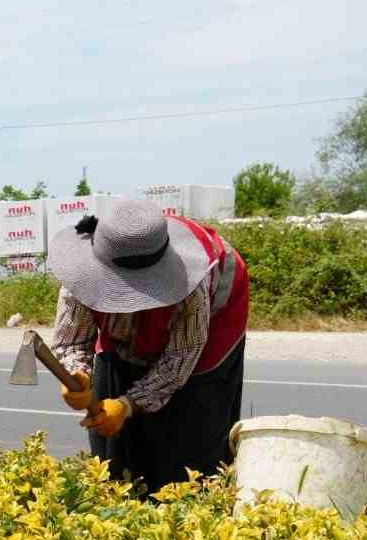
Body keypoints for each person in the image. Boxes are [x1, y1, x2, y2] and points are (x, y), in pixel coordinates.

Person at [48, 197, 250, 494]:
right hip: (129, 330)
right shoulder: (82, 272)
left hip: (213, 328)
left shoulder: (194, 282)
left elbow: (179, 360)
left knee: (190, 450)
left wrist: (127, 405)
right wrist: (77, 375)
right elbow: (72, 339)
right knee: (113, 447)